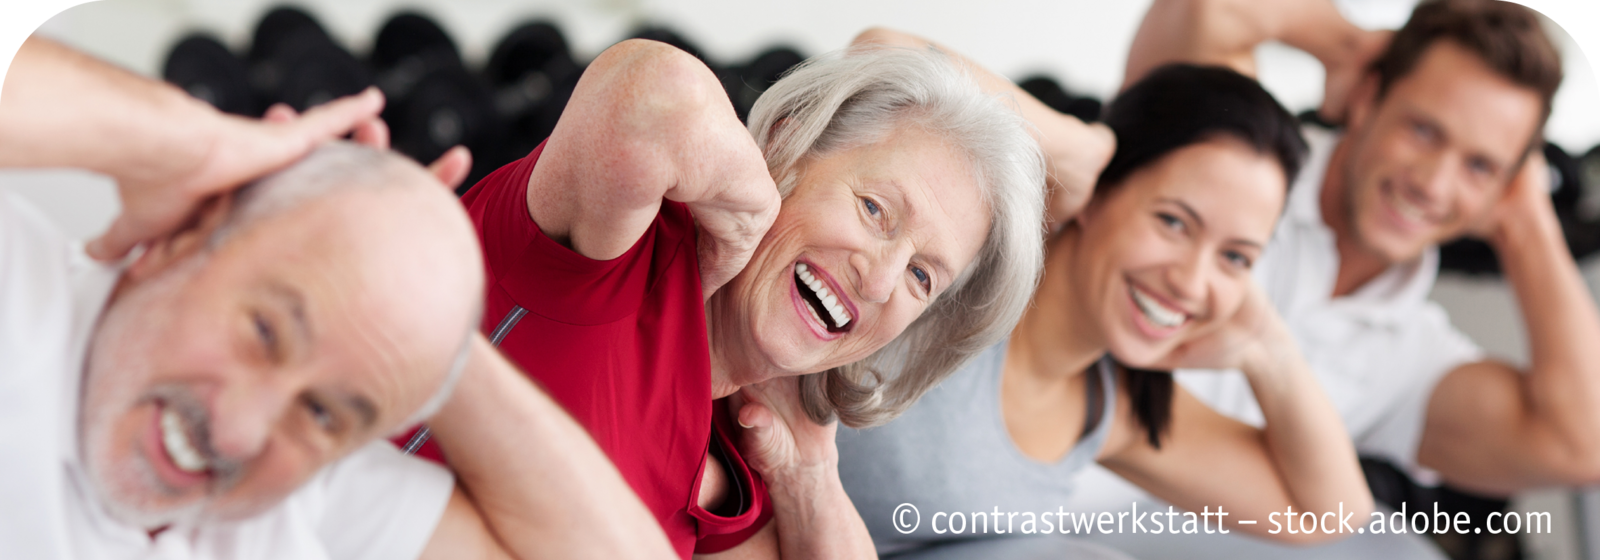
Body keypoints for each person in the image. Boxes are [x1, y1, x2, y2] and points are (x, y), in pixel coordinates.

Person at [0, 35, 676, 559]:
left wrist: (422, 311)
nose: (238, 431)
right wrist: (190, 142)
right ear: (185, 239)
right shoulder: (21, 302)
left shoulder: (303, 497)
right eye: (264, 332)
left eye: (322, 413)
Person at [407, 37, 1050, 558]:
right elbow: (653, 94)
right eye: (875, 209)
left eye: (921, 277)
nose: (880, 281)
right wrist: (745, 219)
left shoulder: (741, 461)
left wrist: (810, 478)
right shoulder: (620, 250)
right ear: (788, 146)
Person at [1060, 0, 1591, 558]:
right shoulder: (1227, 153)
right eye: (1423, 130)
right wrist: (1346, 45)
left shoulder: (1409, 354)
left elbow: (1582, 445)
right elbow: (1210, 9)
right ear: (1367, 97)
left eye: (1480, 166)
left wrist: (1530, 226)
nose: (1433, 184)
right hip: (1017, 500)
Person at [831, 38, 1372, 555]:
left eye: (1235, 257)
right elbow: (881, 53)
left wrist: (1268, 349)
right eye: (1173, 222)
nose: (1190, 281)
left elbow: (1329, 514)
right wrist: (1081, 148)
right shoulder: (962, 257)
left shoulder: (1116, 411)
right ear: (1097, 191)